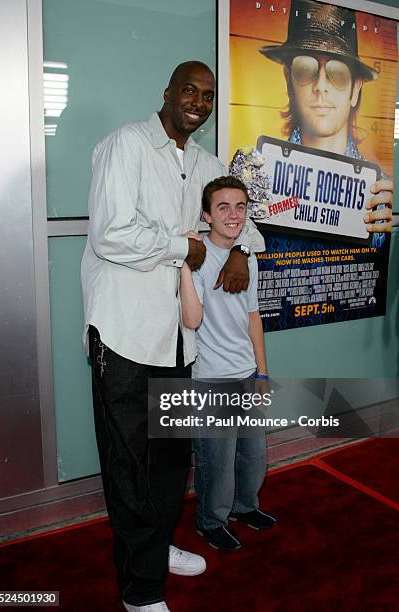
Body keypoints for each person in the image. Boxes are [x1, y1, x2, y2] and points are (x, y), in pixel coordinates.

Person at [81, 61, 265, 612]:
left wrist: (233, 249)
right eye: (189, 90)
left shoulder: (207, 164)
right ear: (166, 93)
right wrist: (185, 247)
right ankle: (139, 591)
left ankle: (155, 547)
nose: (199, 101)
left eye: (208, 95)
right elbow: (112, 234)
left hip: (182, 340)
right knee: (127, 462)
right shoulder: (125, 145)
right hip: (124, 332)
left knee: (167, 461)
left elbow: (243, 223)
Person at [179, 176, 276, 551]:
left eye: (240, 206)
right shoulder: (200, 257)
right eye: (223, 207)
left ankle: (244, 507)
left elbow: (254, 316)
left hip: (247, 372)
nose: (233, 214)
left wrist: (262, 370)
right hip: (212, 379)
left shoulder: (246, 255)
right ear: (207, 214)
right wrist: (186, 267)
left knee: (253, 455)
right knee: (216, 463)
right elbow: (192, 319)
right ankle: (211, 520)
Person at [258, 0, 393, 236]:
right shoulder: (257, 171)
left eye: (338, 73)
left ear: (355, 89)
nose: (320, 86)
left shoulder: (377, 191)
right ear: (288, 80)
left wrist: (380, 237)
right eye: (305, 69)